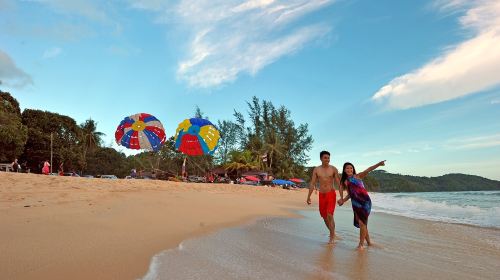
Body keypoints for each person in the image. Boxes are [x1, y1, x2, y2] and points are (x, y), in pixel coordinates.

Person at [338, 160, 386, 250]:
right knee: (363, 224)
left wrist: (379, 164)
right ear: (344, 170)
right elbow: (350, 194)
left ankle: (361, 244)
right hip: (356, 204)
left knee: (362, 223)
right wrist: (343, 200)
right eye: (347, 168)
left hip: (365, 202)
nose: (349, 169)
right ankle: (369, 243)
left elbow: (369, 169)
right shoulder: (345, 182)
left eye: (351, 168)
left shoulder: (358, 176)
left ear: (353, 169)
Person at [307, 151, 341, 244]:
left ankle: (332, 237)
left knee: (330, 214)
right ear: (321, 158)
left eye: (328, 158)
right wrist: (308, 197)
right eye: (325, 158)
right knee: (324, 217)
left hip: (331, 193)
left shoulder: (333, 169)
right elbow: (312, 183)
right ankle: (332, 233)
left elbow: (339, 183)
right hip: (322, 195)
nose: (327, 160)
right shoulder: (316, 170)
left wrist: (342, 197)